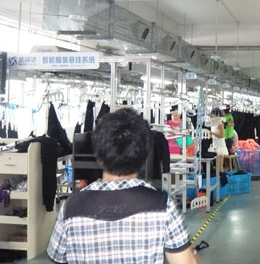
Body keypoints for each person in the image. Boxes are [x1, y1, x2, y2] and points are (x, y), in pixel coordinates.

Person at [47, 108, 196, 264]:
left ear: (99, 156)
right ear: (143, 157)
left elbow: (56, 259)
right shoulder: (163, 206)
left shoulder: (71, 207)